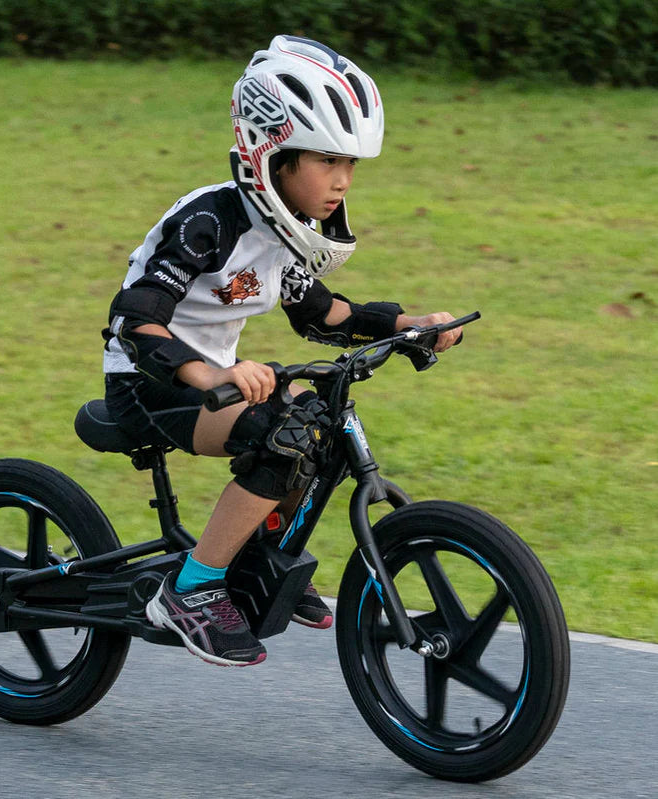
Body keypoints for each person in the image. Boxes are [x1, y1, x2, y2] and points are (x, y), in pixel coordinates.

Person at [101, 35, 462, 667]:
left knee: (318, 427)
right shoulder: (210, 223)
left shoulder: (281, 234)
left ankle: (259, 558)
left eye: (351, 163)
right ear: (273, 153)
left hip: (216, 381)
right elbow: (135, 320)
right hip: (148, 383)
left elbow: (325, 315)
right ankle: (190, 589)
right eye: (328, 159)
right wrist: (209, 373)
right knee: (285, 434)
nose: (343, 181)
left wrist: (414, 326)